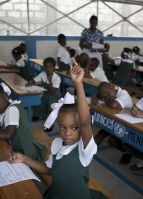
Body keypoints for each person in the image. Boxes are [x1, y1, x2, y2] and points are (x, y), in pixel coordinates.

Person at [8, 62, 109, 199]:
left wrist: (78, 84)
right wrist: (24, 159)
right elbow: (49, 169)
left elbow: (85, 122)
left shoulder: (84, 149)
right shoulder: (57, 145)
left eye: (74, 127)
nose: (67, 133)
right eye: (62, 127)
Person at [91, 82, 133, 165]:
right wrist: (94, 98)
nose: (108, 97)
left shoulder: (123, 94)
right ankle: (87, 154)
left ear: (112, 86)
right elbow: (96, 94)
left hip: (126, 125)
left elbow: (114, 105)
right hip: (115, 120)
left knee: (112, 140)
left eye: (108, 93)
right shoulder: (109, 93)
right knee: (100, 134)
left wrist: (106, 99)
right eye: (105, 96)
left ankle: (127, 152)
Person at [25, 57, 61, 132]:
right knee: (40, 104)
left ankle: (50, 124)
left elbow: (52, 92)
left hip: (54, 95)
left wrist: (50, 81)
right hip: (46, 94)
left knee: (51, 108)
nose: (48, 69)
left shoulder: (57, 78)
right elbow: (34, 80)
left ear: (54, 68)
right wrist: (30, 82)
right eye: (45, 67)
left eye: (50, 67)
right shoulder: (42, 74)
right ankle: (40, 116)